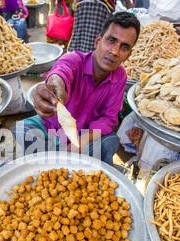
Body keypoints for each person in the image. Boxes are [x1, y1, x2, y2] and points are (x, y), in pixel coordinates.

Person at [13, 12, 140, 165]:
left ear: (129, 54)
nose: (114, 51)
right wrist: (55, 86)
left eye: (124, 47)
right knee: (21, 129)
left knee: (110, 142)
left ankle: (58, 160)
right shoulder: (74, 59)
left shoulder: (120, 77)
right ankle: (56, 162)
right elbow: (60, 72)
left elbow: (108, 119)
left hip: (85, 136)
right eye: (111, 40)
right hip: (54, 130)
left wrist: (78, 145)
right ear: (98, 41)